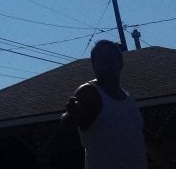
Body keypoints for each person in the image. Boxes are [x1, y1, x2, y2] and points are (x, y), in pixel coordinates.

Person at [62, 39, 165, 169]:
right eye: (102, 58)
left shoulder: (129, 100)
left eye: (111, 56)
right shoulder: (89, 92)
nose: (107, 61)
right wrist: (72, 116)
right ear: (94, 65)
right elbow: (68, 124)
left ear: (121, 63)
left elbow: (145, 139)